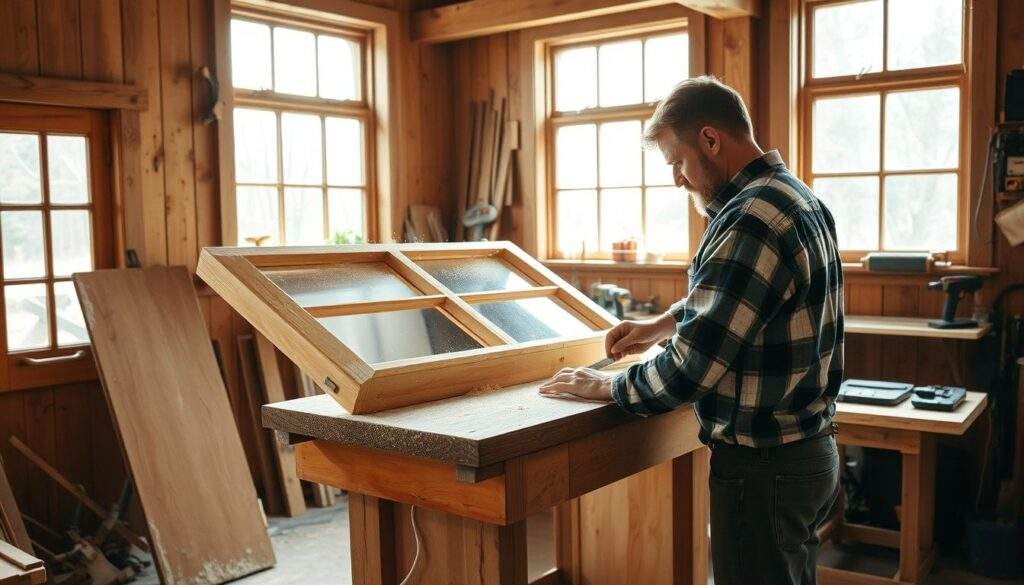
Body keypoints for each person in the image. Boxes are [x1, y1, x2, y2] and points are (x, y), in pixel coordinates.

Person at [539, 76, 844, 585]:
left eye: (677, 161)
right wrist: (665, 322)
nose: (677, 180)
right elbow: (743, 298)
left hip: (763, 468)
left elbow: (690, 370)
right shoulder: (794, 197)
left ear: (710, 139)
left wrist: (609, 386)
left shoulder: (748, 219)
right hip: (808, 454)